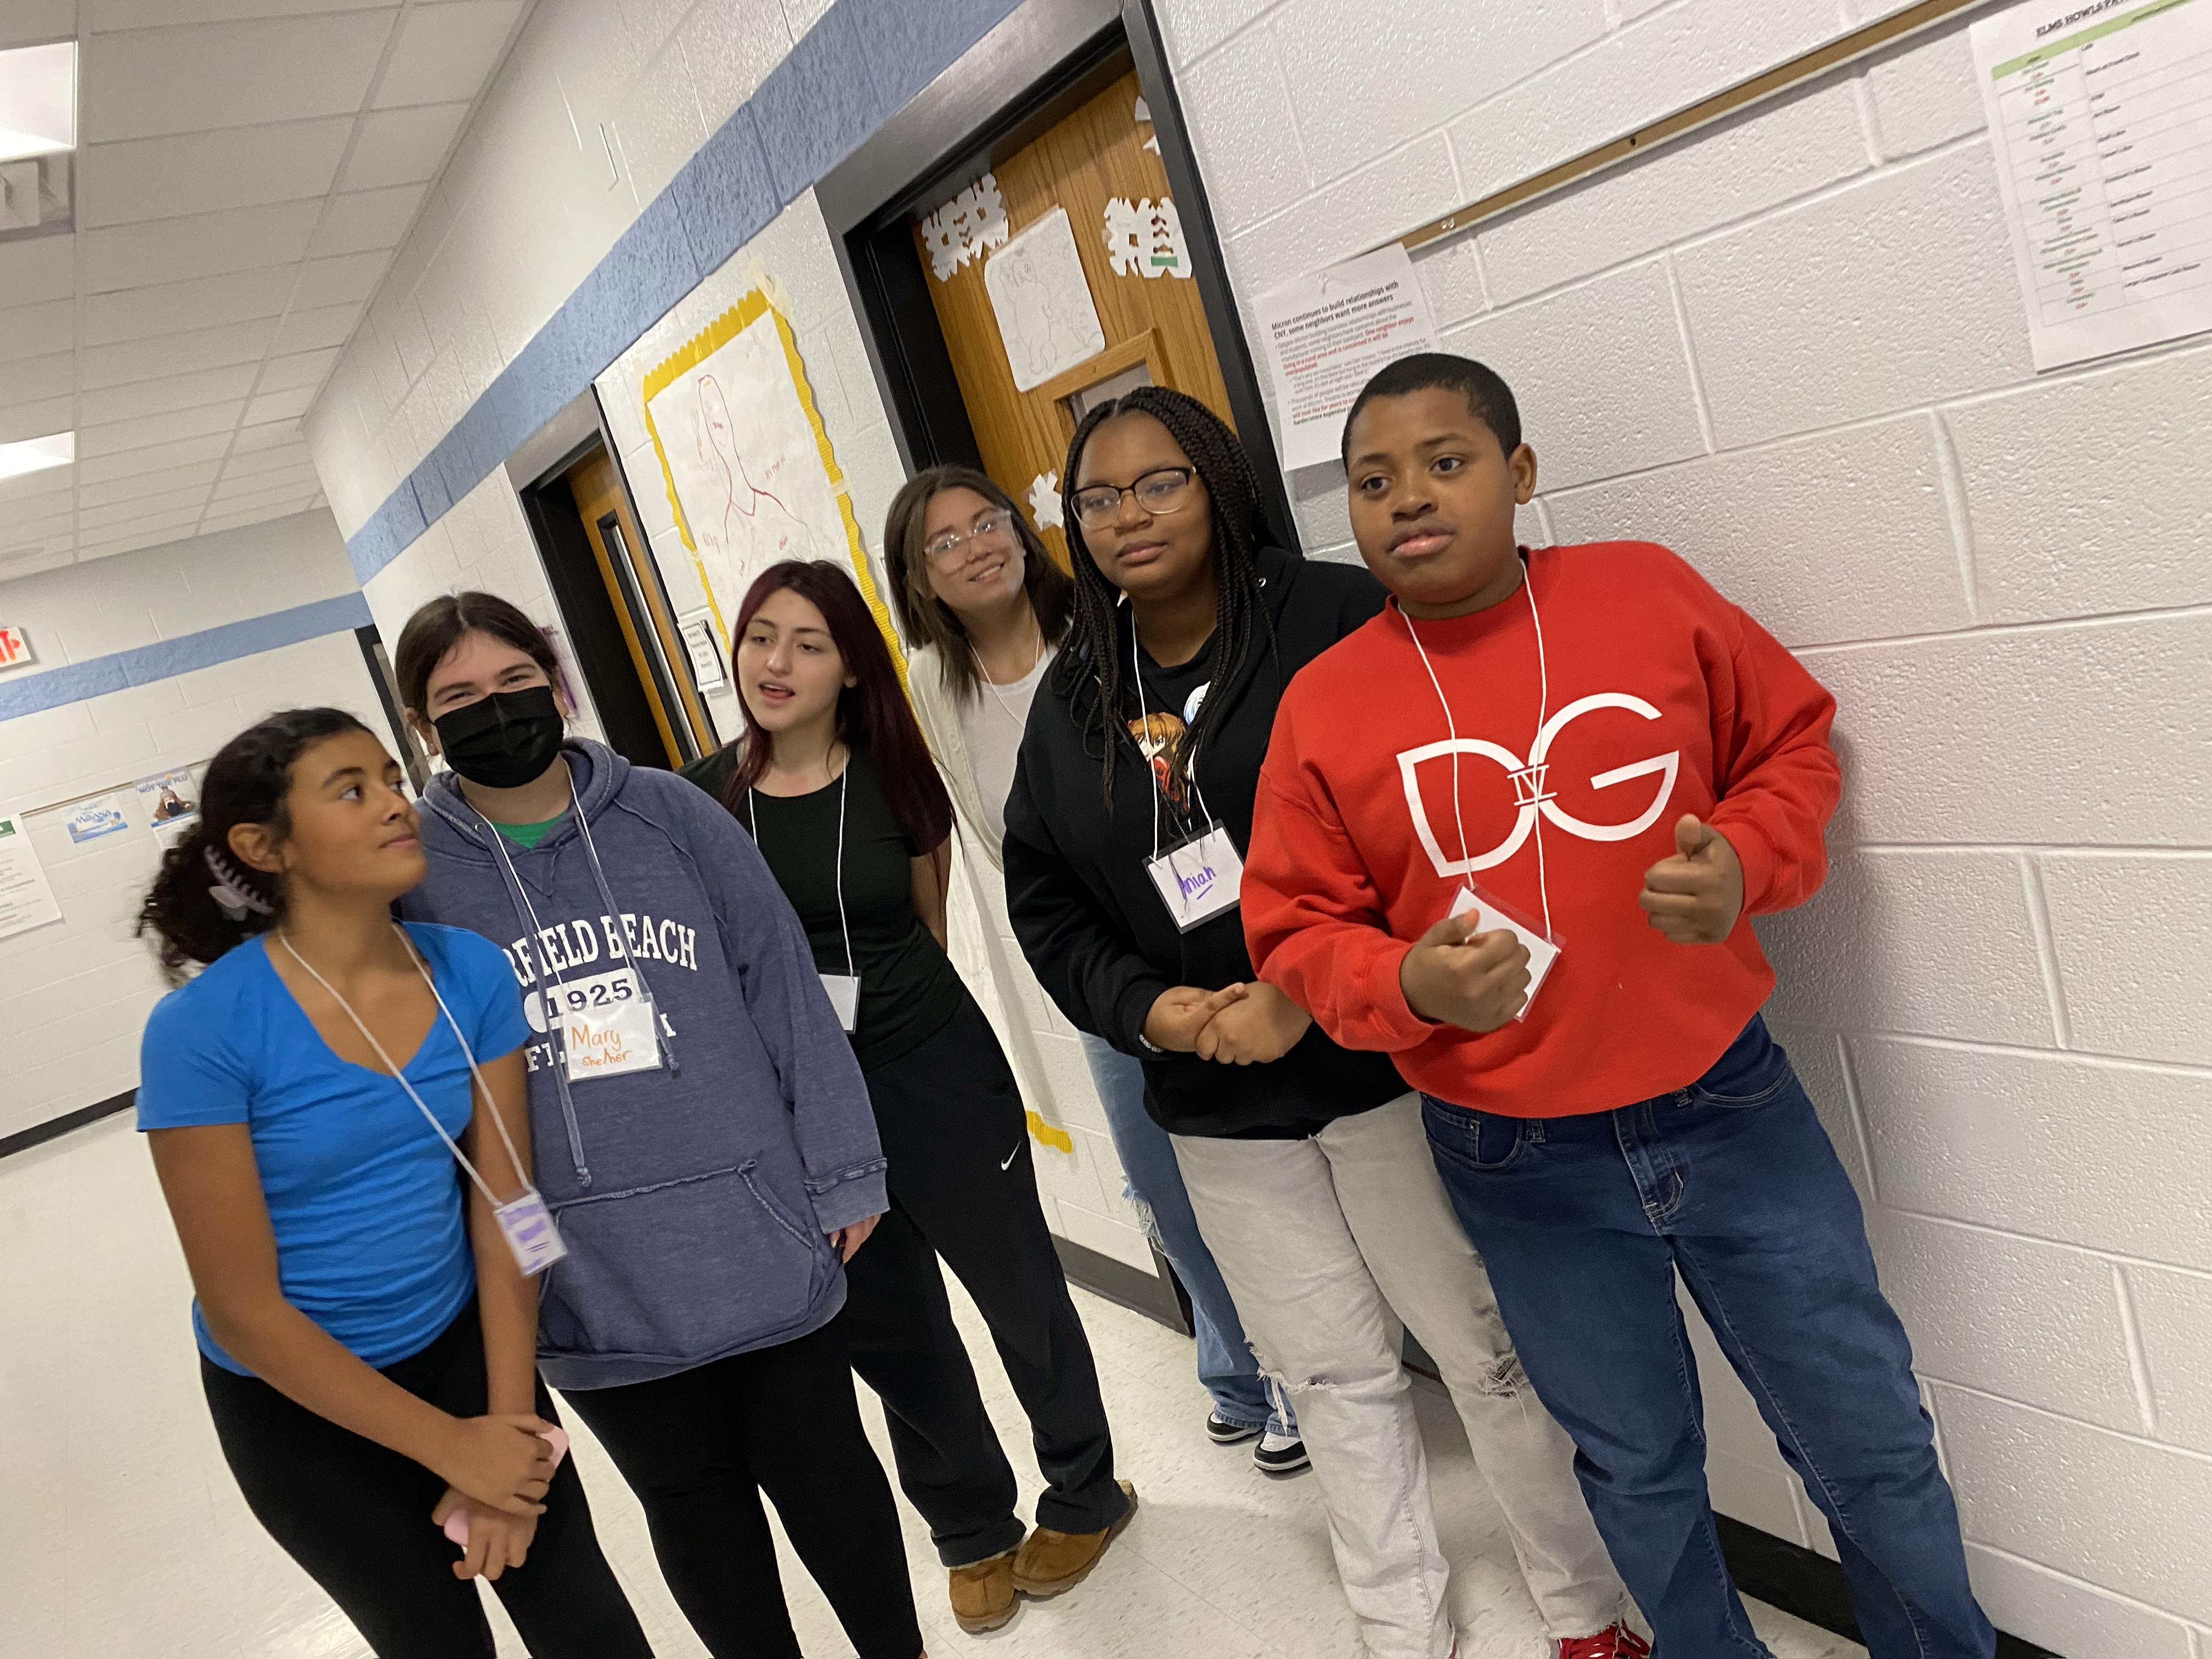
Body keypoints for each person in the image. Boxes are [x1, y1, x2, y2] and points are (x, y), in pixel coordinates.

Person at [1242, 352, 1997, 1659]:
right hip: (1519, 1157)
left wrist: (1748, 865)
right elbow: (1294, 923)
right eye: (1373, 480)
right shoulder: (1327, 700)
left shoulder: (1643, 589)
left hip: (1729, 1105)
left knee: (1870, 1440)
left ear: (1520, 475)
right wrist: (1402, 982)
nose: (1409, 498)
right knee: (1636, 1472)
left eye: (1446, 461)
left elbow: (1792, 744)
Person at [1002, 385, 1635, 1659]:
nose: (1128, 516)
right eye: (1098, 497)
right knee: (1332, 1374)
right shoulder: (1074, 694)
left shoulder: (1342, 620)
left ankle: (1584, 1607)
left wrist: (1308, 985)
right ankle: (1400, 1618)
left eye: (1159, 483)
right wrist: (1156, 1012)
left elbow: (1445, 820)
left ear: (1221, 485)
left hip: (1387, 1062)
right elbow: (1047, 897)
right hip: (1214, 1095)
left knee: (1483, 1349)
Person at [389, 591, 926, 1659]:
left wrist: (845, 1173)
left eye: (514, 685)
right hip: (591, 1276)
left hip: (759, 1234)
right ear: (421, 724)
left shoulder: (671, 817)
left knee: (829, 1483)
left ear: (556, 683)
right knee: (694, 1511)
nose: (493, 713)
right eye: (457, 699)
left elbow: (784, 987)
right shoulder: (414, 876)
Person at [132, 707, 652, 1659]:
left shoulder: (471, 975)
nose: (395, 804)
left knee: (593, 1630)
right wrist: (450, 1451)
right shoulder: (203, 1032)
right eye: (351, 789)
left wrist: (505, 1431)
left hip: (470, 1359)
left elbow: (510, 1214)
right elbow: (244, 1311)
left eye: (389, 775)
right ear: (264, 846)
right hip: (305, 1411)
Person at [683, 559, 1133, 1637]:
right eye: (760, 638)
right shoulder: (700, 801)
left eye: (808, 643)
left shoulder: (896, 776)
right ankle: (971, 1531)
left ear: (849, 669)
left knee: (1021, 1294)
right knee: (894, 1333)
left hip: (931, 1066)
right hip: (804, 1110)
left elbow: (927, 928)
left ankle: (1086, 1489)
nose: (776, 663)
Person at [884, 462, 1304, 1473]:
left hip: (1221, 928)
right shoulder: (933, 690)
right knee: (1163, 1179)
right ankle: (1239, 1363)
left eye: (988, 521)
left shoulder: (1104, 630)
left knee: (1274, 1159)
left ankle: (1293, 1370)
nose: (977, 545)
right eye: (945, 540)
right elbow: (994, 843)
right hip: (1108, 970)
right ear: (919, 576)